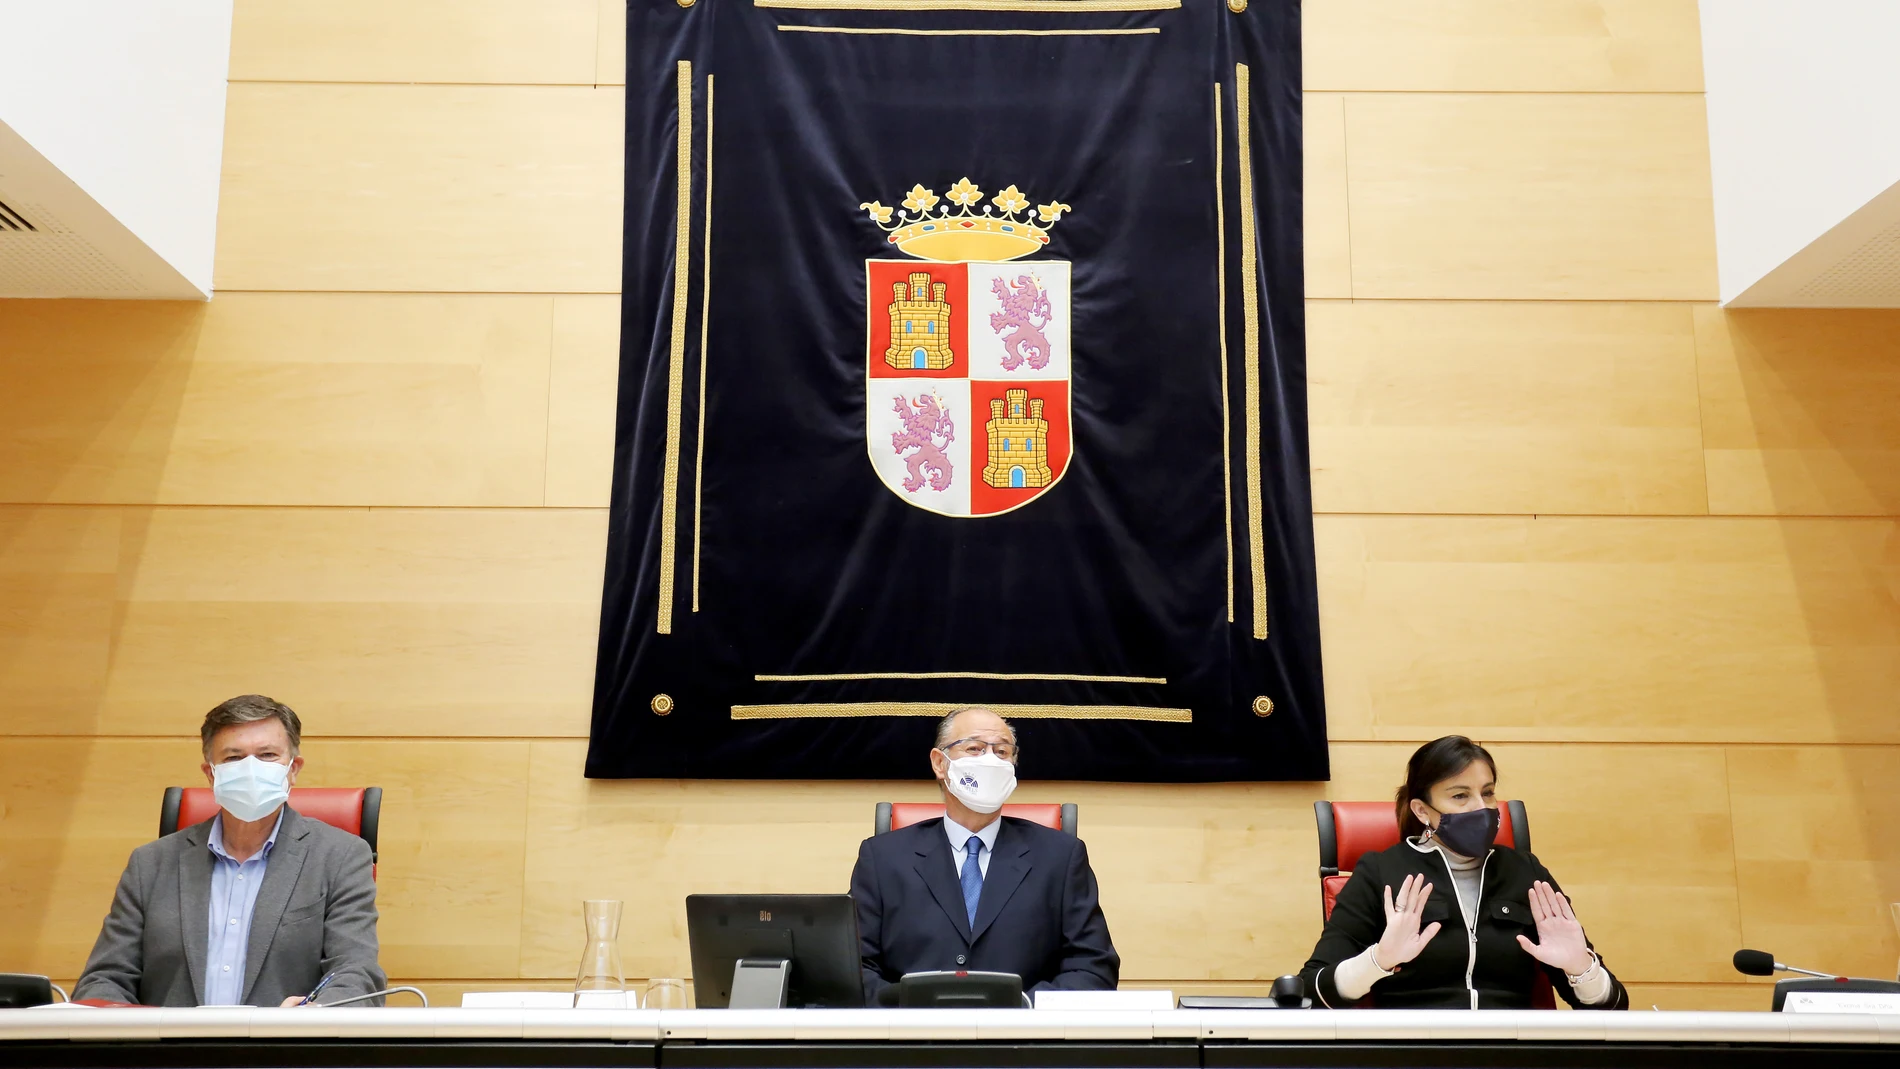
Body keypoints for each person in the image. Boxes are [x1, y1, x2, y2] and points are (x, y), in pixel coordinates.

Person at [74, 695, 385, 1007]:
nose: (251, 769)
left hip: (287, 1050)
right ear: (211, 774)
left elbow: (356, 973)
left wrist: (314, 1015)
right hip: (171, 1052)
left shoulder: (340, 857)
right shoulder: (151, 864)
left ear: (293, 769)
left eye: (267, 755)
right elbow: (106, 979)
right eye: (234, 758)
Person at [1301, 735, 1628, 1010]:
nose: (1482, 808)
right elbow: (1312, 991)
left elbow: (1611, 1005)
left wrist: (1580, 968)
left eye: (1487, 793)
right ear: (1422, 810)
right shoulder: (1381, 871)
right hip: (1414, 1054)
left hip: (1512, 1054)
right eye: (1460, 795)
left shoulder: (1524, 871)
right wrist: (1378, 961)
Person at [849, 707, 1119, 1004]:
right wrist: (911, 1011)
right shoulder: (882, 859)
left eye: (1002, 752)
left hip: (1024, 1042)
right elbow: (854, 968)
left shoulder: (1061, 857)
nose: (990, 761)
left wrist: (1023, 1009)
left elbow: (1093, 967)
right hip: (912, 1041)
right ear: (940, 763)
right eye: (975, 748)